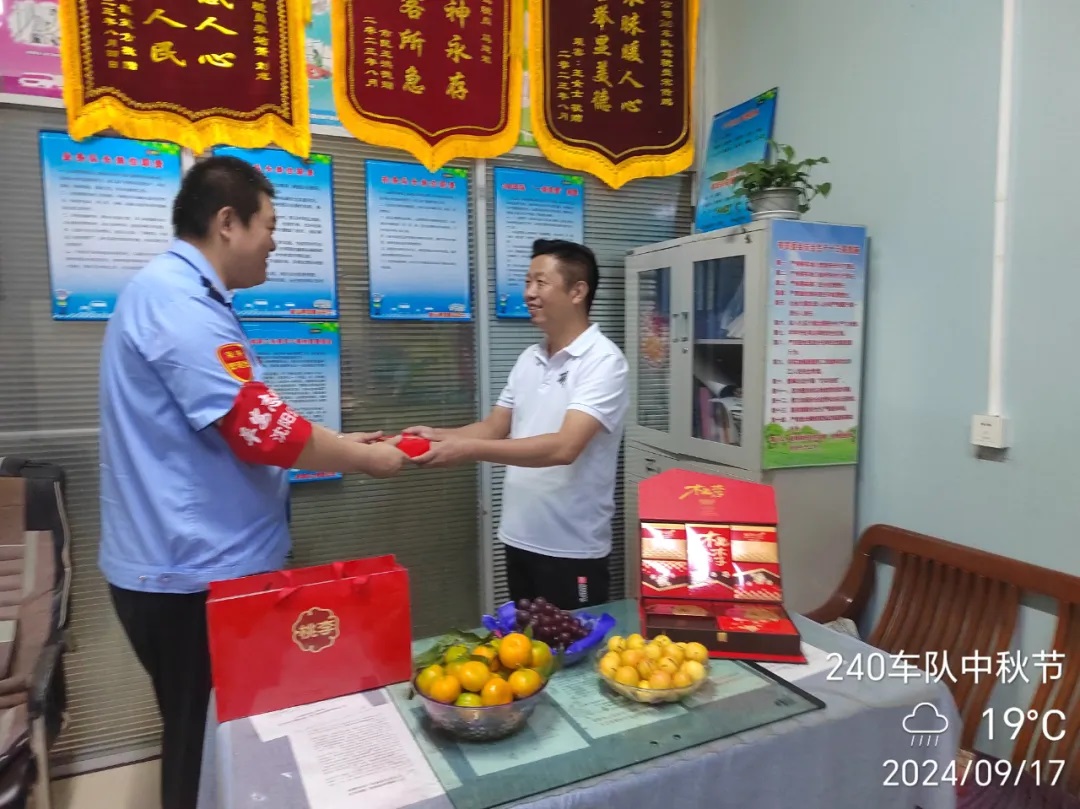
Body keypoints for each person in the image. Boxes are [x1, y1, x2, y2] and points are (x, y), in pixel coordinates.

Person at [98, 155, 409, 809]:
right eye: (269, 225)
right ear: (227, 222)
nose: (274, 241)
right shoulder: (177, 302)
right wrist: (365, 461)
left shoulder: (189, 297)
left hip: (199, 565)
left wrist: (340, 442)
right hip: (189, 575)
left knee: (224, 731)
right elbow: (256, 427)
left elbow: (254, 416)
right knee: (203, 742)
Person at [406, 239, 628, 610]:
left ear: (577, 291)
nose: (529, 293)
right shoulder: (530, 357)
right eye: (527, 282)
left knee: (573, 644)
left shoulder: (604, 361)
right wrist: (439, 436)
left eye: (541, 282)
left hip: (571, 548)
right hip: (520, 537)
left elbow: (565, 447)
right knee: (523, 641)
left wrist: (467, 450)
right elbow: (494, 427)